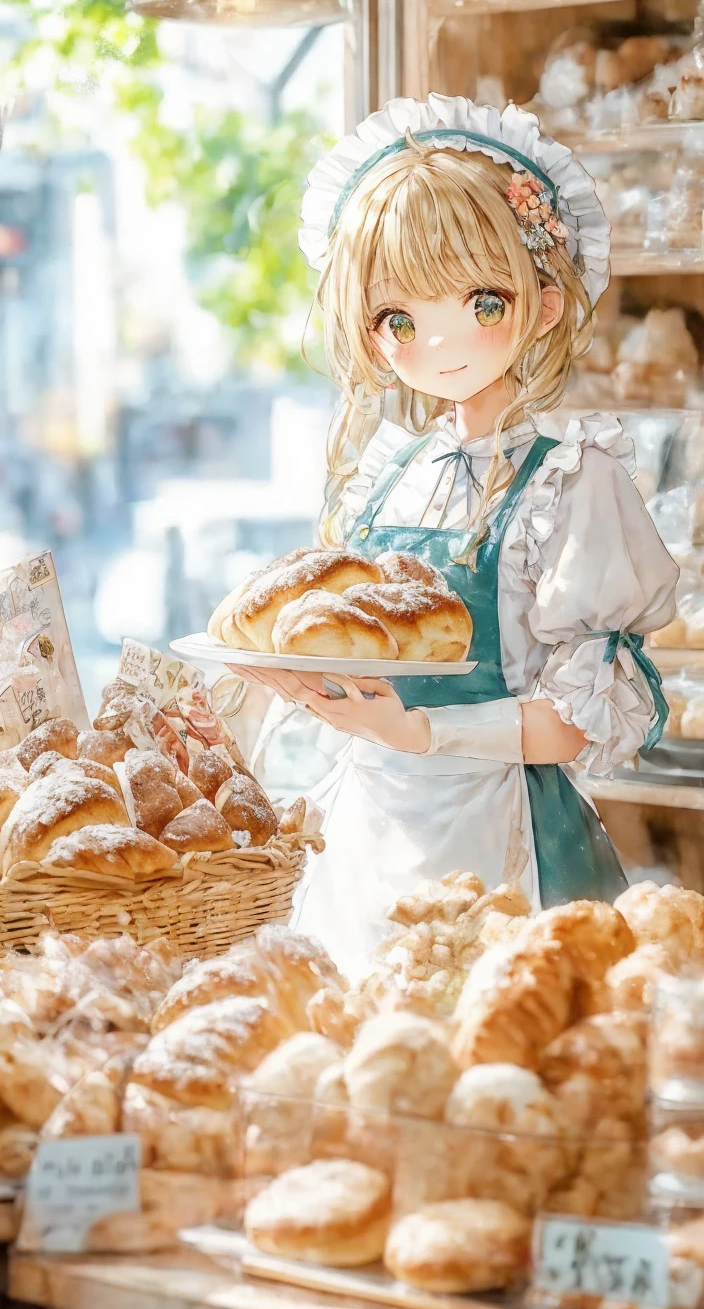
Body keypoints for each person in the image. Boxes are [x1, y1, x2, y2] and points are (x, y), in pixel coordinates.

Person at [232, 94, 678, 974]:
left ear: (544, 304)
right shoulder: (391, 471)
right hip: (369, 828)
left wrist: (425, 735)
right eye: (398, 320)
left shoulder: (573, 480)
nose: (434, 341)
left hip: (502, 828)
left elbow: (572, 722)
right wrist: (299, 681)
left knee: (501, 1014)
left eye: (478, 302)